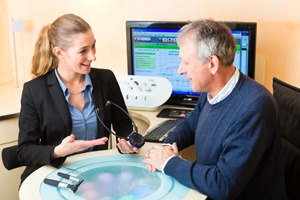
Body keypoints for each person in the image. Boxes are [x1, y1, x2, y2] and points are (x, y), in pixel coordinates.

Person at [143, 19, 287, 199]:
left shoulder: (254, 107)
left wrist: (169, 162)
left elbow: (223, 185)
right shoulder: (211, 90)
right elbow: (190, 125)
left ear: (212, 64)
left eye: (186, 63)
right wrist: (166, 147)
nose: (180, 70)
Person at [17, 13, 139, 185]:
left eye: (93, 46)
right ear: (59, 53)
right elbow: (24, 151)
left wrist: (128, 140)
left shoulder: (106, 79)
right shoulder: (34, 90)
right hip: (56, 173)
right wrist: (57, 151)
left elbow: (123, 124)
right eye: (83, 51)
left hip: (97, 173)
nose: (93, 56)